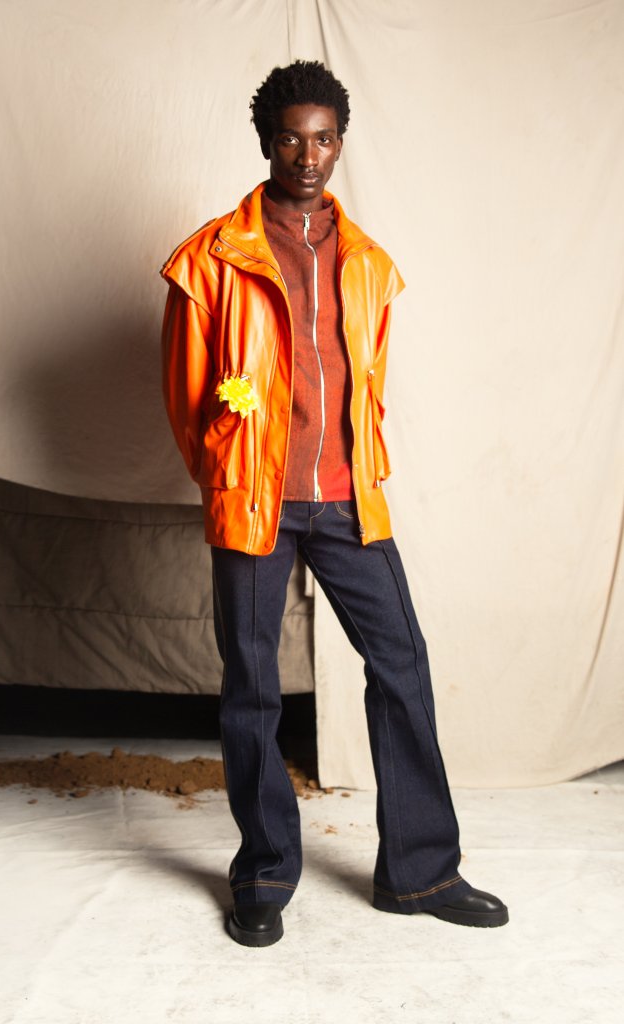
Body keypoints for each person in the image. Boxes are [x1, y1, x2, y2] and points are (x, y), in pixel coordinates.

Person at [159, 60, 508, 947]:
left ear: (340, 145)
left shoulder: (370, 265)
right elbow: (185, 398)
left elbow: (369, 384)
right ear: (266, 142)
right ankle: (264, 872)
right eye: (290, 138)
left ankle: (421, 872)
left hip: (349, 500)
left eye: (322, 139)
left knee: (401, 663)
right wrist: (232, 469)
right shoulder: (210, 259)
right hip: (256, 501)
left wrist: (356, 468)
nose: (307, 156)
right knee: (252, 687)